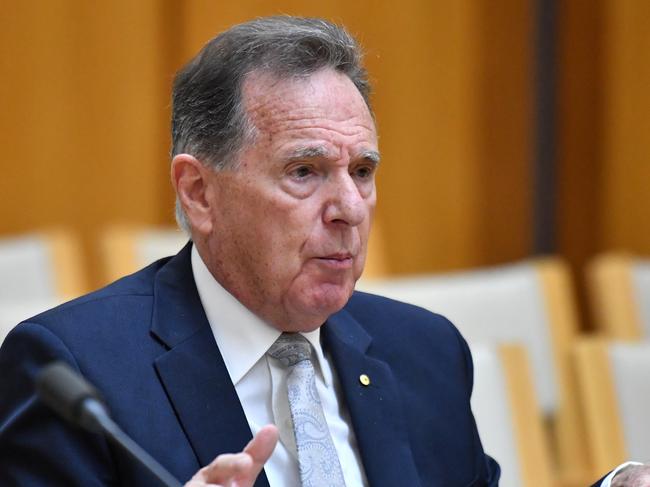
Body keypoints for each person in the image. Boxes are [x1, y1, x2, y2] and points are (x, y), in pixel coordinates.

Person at [0, 16, 645, 487]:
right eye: (304, 172)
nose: (349, 207)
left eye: (362, 171)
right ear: (199, 192)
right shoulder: (77, 373)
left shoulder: (422, 351)